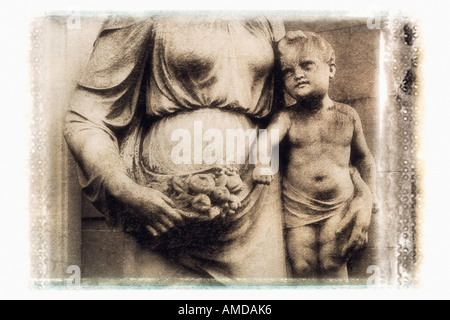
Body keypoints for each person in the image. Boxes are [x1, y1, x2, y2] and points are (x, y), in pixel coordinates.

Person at [64, 16, 374, 283]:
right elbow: (86, 117)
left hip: (254, 208)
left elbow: (309, 131)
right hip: (165, 213)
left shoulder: (265, 16)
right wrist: (125, 189)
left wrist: (361, 195)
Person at [253, 31, 377, 279]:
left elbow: (364, 159)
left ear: (330, 69)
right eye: (288, 71)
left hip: (337, 206)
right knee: (302, 266)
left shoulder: (348, 116)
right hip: (298, 208)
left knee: (334, 262)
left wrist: (372, 196)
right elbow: (266, 140)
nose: (297, 74)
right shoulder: (287, 117)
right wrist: (261, 163)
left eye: (306, 65)